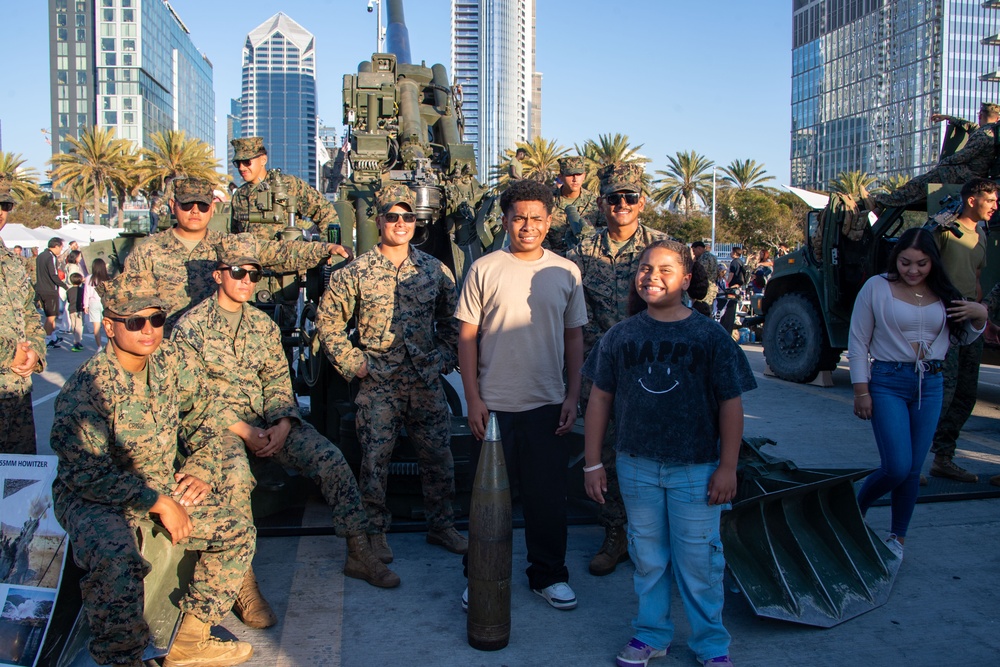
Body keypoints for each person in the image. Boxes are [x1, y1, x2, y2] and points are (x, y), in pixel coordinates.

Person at [172, 241, 401, 609]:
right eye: (237, 273)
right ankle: (242, 582)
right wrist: (244, 431)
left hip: (268, 423)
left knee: (330, 458)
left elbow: (279, 381)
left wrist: (282, 422)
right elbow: (190, 399)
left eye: (253, 274)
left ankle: (359, 550)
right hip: (220, 431)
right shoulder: (190, 328)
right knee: (234, 479)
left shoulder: (261, 324)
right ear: (218, 276)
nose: (246, 280)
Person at [49, 272, 256, 667]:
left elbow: (207, 418)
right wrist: (157, 501)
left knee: (236, 530)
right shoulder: (86, 389)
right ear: (109, 326)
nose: (148, 330)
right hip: (95, 497)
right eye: (135, 321)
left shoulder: (170, 362)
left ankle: (189, 640)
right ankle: (121, 655)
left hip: (157, 482)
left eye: (157, 319)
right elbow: (85, 475)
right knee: (117, 557)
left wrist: (199, 467)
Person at [582, 239, 755, 667]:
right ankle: (651, 633)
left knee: (699, 562)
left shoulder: (710, 336)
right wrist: (592, 461)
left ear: (687, 280)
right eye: (645, 268)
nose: (652, 277)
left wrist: (728, 466)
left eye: (665, 270)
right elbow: (600, 400)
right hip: (636, 467)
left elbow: (732, 403)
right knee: (648, 558)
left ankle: (711, 644)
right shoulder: (619, 337)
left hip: (697, 470)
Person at [316, 184, 467, 563]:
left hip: (425, 380)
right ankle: (375, 532)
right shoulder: (358, 272)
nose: (401, 223)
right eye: (393, 216)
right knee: (374, 461)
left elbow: (453, 321)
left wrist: (444, 357)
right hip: (379, 381)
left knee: (438, 456)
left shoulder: (434, 270)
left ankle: (442, 524)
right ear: (379, 220)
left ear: (417, 222)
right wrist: (355, 364)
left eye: (408, 217)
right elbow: (329, 323)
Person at [457, 178, 587, 610]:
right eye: (518, 218)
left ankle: (548, 575)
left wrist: (571, 395)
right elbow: (468, 338)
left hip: (547, 405)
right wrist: (473, 398)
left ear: (549, 222)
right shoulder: (484, 268)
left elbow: (573, 338)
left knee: (547, 499)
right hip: (492, 408)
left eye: (536, 218)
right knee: (485, 505)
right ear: (506, 220)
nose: (527, 226)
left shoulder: (566, 272)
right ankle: (478, 576)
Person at [848, 228, 986, 557]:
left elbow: (961, 338)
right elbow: (858, 341)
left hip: (931, 383)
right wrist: (860, 390)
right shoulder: (876, 287)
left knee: (912, 470)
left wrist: (980, 316)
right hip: (887, 381)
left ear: (932, 262)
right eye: (906, 262)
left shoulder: (943, 292)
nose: (913, 271)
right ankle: (854, 511)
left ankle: (898, 538)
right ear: (895, 259)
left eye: (921, 263)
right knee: (896, 466)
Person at [567, 162, 667, 576]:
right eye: (613, 197)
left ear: (642, 201)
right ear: (602, 202)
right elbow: (565, 310)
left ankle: (655, 535)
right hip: (602, 370)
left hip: (653, 372)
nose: (621, 204)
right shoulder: (580, 252)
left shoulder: (663, 249)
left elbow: (693, 297)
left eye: (629, 197)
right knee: (606, 453)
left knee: (655, 452)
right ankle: (615, 533)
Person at [124, 177, 350, 335]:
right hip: (169, 351)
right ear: (173, 205)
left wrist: (324, 249)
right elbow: (131, 308)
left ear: (212, 208)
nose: (195, 211)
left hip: (216, 352)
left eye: (202, 205)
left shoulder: (227, 245)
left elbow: (278, 251)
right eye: (187, 205)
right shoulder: (147, 251)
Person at [927, 177, 996, 482]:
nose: (995, 206)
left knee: (966, 394)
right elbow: (919, 267)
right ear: (972, 200)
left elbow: (977, 279)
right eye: (990, 200)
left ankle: (943, 458)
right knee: (941, 393)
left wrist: (983, 316)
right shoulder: (943, 230)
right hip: (945, 316)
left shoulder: (981, 234)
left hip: (971, 317)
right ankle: (914, 461)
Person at [874, 104, 1000, 209]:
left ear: (980, 115)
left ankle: (883, 201)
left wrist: (944, 162)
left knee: (919, 183)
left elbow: (965, 155)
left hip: (966, 174)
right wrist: (948, 117)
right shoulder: (989, 131)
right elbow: (970, 126)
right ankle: (886, 200)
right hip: (970, 174)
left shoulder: (983, 135)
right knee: (921, 183)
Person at [0, 178, 46, 455]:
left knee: (18, 489)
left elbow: (30, 312)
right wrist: (8, 353)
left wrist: (35, 353)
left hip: (15, 395)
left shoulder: (13, 261)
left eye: (4, 205)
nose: (0, 212)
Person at [229, 137, 340, 241]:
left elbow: (325, 211)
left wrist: (326, 246)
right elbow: (235, 233)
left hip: (287, 257)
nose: (241, 167)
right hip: (252, 259)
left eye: (247, 162)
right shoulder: (239, 195)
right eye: (237, 163)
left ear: (263, 160)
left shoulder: (288, 185)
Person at [546, 156, 603, 256]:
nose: (575, 179)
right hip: (553, 261)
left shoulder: (595, 203)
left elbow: (604, 233)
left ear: (584, 175)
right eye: (570, 174)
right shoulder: (547, 201)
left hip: (587, 260)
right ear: (560, 177)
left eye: (578, 174)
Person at [36, 236, 69, 348]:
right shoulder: (51, 257)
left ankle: (53, 337)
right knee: (51, 316)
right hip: (50, 290)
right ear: (56, 246)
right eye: (61, 247)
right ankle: (47, 339)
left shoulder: (40, 256)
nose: (61, 250)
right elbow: (53, 274)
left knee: (51, 315)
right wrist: (64, 286)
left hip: (41, 288)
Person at [720, 247, 748, 337]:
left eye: (732, 252)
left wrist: (727, 283)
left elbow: (731, 274)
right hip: (739, 286)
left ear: (735, 253)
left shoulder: (734, 262)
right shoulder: (740, 262)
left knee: (730, 308)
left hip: (733, 286)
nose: (731, 253)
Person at [84, 257, 110, 349]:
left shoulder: (89, 278)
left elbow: (86, 292)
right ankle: (109, 345)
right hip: (104, 302)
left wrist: (85, 305)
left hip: (93, 303)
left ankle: (99, 347)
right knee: (107, 325)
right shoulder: (107, 278)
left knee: (96, 326)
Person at [692, 241, 720, 315]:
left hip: (705, 287)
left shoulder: (704, 257)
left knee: (702, 309)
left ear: (699, 248)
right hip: (712, 287)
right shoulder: (713, 257)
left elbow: (699, 271)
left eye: (694, 251)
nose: (694, 253)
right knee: (708, 310)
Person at [66, 272, 85, 352]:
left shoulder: (69, 291)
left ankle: (77, 340)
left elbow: (69, 300)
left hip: (71, 310)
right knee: (79, 326)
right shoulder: (82, 290)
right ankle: (77, 342)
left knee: (73, 326)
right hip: (79, 310)